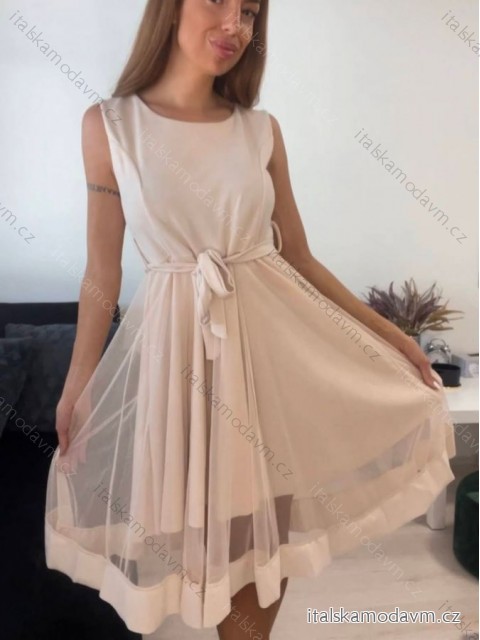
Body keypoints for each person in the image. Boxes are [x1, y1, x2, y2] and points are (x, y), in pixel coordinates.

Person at [44, 0, 456, 638]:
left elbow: (299, 258)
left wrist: (393, 336)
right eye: (219, 1)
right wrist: (79, 386)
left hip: (268, 361)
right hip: (178, 367)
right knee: (197, 549)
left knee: (265, 541)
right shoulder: (110, 126)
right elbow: (103, 273)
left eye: (251, 11)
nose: (235, 25)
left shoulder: (260, 130)